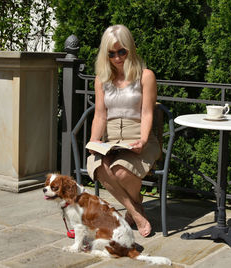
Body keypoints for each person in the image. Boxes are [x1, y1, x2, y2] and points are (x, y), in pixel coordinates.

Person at [86, 24, 161, 237]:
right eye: (111, 53)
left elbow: (147, 113)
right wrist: (94, 141)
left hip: (138, 135)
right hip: (110, 139)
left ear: (130, 49)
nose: (117, 58)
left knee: (120, 170)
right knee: (100, 167)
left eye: (122, 51)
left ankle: (133, 210)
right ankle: (136, 210)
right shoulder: (101, 79)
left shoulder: (145, 76)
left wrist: (143, 140)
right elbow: (100, 115)